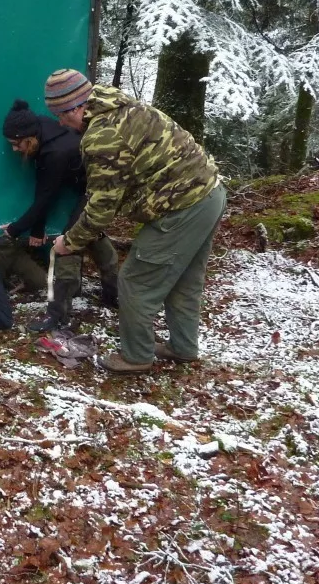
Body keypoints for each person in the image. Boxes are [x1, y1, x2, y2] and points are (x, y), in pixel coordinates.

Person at [44, 68, 226, 374]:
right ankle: (182, 347)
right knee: (184, 280)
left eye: (61, 115)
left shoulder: (101, 136)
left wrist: (69, 243)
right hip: (209, 193)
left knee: (135, 282)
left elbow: (102, 207)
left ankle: (136, 356)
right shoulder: (121, 106)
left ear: (76, 107)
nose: (61, 123)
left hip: (182, 206)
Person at [0, 98, 120, 332]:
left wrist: (16, 229)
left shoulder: (55, 151)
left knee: (67, 246)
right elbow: (45, 187)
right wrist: (36, 228)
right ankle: (114, 294)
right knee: (90, 233)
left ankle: (58, 314)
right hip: (94, 189)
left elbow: (45, 196)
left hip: (101, 192)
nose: (14, 149)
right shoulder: (42, 130)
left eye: (16, 144)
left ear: (30, 139)